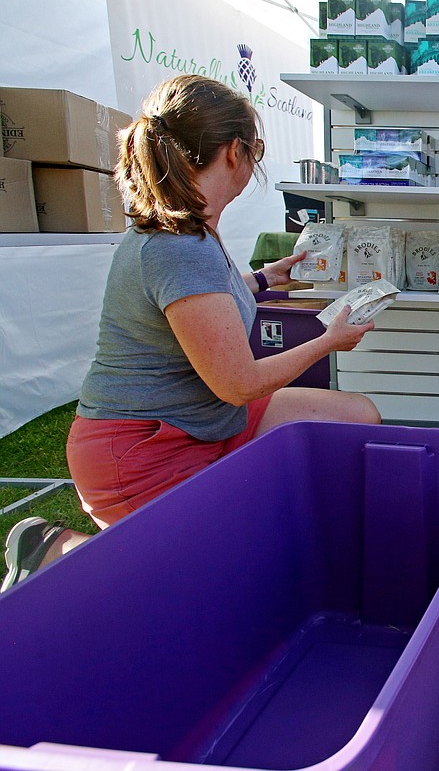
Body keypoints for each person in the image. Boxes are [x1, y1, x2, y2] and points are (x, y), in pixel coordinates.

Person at [2, 74, 380, 591]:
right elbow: (238, 383)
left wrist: (268, 277)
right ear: (232, 152)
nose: (255, 162)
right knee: (209, 589)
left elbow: (204, 302)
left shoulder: (187, 228)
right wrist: (328, 341)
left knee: (358, 417)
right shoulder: (179, 244)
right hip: (144, 451)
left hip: (204, 423)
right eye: (257, 149)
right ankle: (57, 552)